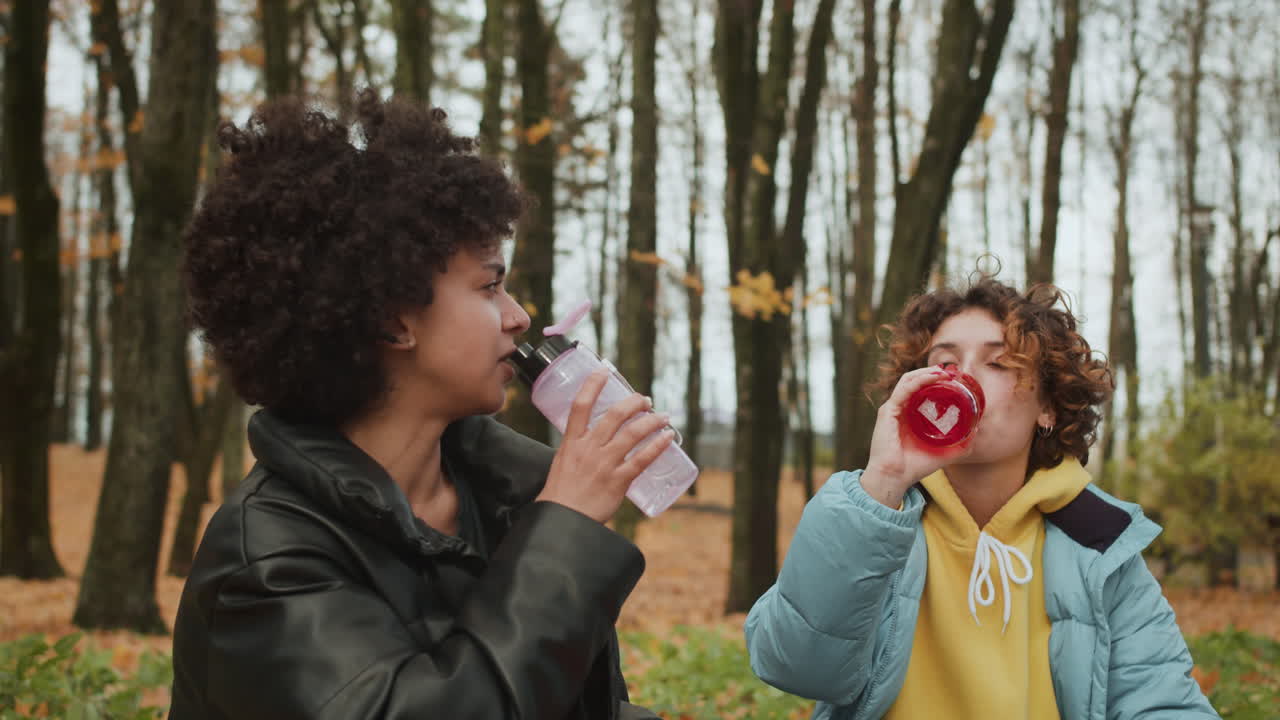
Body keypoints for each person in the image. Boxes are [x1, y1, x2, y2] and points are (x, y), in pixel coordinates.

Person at [170, 90, 670, 720]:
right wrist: (564, 529)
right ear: (392, 319)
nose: (518, 318)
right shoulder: (267, 563)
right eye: (489, 286)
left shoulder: (508, 499)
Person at [744, 277, 1219, 719]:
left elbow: (1162, 702)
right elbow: (793, 667)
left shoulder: (1098, 545)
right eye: (944, 363)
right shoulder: (873, 518)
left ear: (1048, 407)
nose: (962, 378)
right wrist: (884, 480)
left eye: (998, 363)